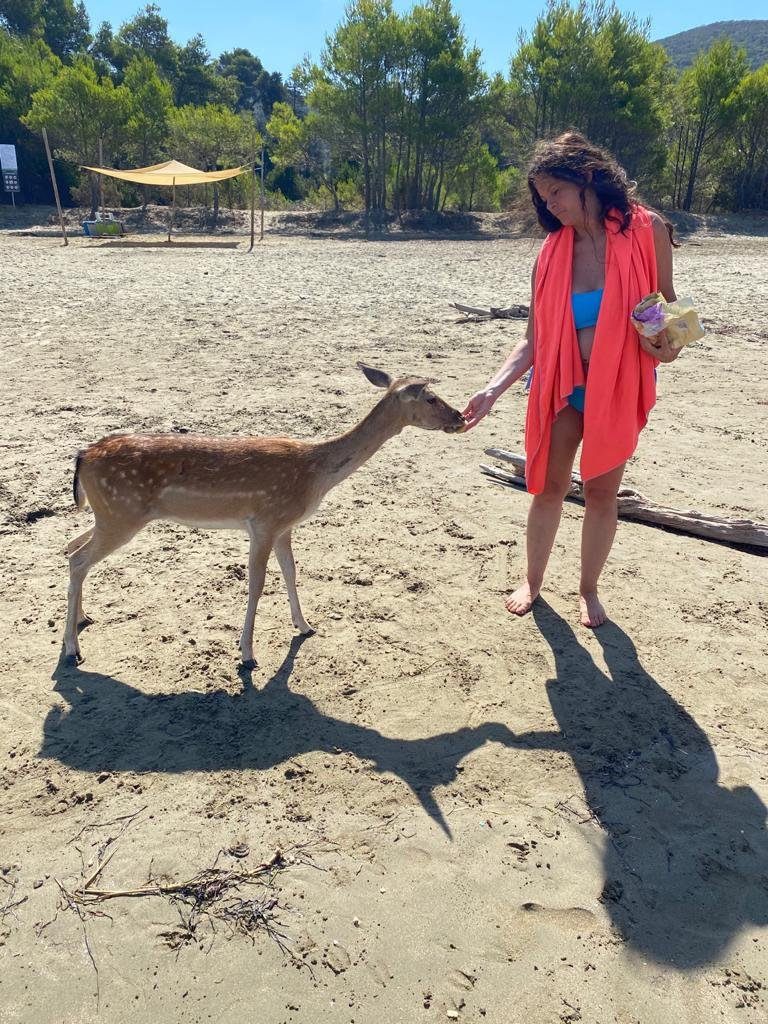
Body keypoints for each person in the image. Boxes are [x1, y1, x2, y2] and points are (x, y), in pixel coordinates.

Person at [462, 131, 681, 628]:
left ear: (585, 178)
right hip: (562, 387)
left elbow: (666, 304)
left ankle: (588, 589)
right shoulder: (551, 252)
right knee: (548, 486)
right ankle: (532, 581)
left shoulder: (646, 230)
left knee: (602, 495)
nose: (549, 205)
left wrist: (670, 345)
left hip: (617, 387)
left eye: (555, 192)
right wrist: (492, 389)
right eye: (542, 197)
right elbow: (533, 340)